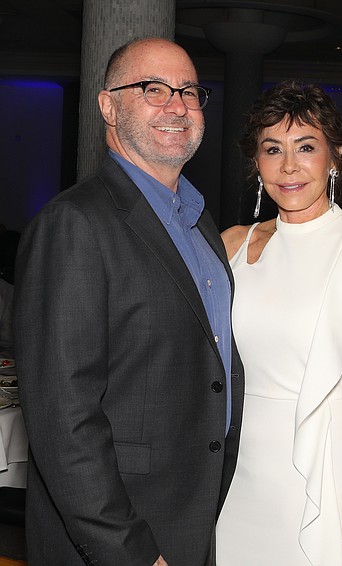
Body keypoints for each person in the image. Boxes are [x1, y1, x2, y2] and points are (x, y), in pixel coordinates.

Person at [13, 38, 244, 566]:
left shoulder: (199, 220)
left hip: (192, 513)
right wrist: (131, 553)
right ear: (108, 106)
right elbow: (62, 416)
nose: (177, 104)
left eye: (188, 90)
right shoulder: (74, 223)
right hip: (123, 535)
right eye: (152, 88)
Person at [215, 81, 342, 566]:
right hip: (236, 473)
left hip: (328, 471)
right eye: (271, 149)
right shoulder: (230, 244)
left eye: (306, 147)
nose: (289, 166)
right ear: (255, 162)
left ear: (334, 156)